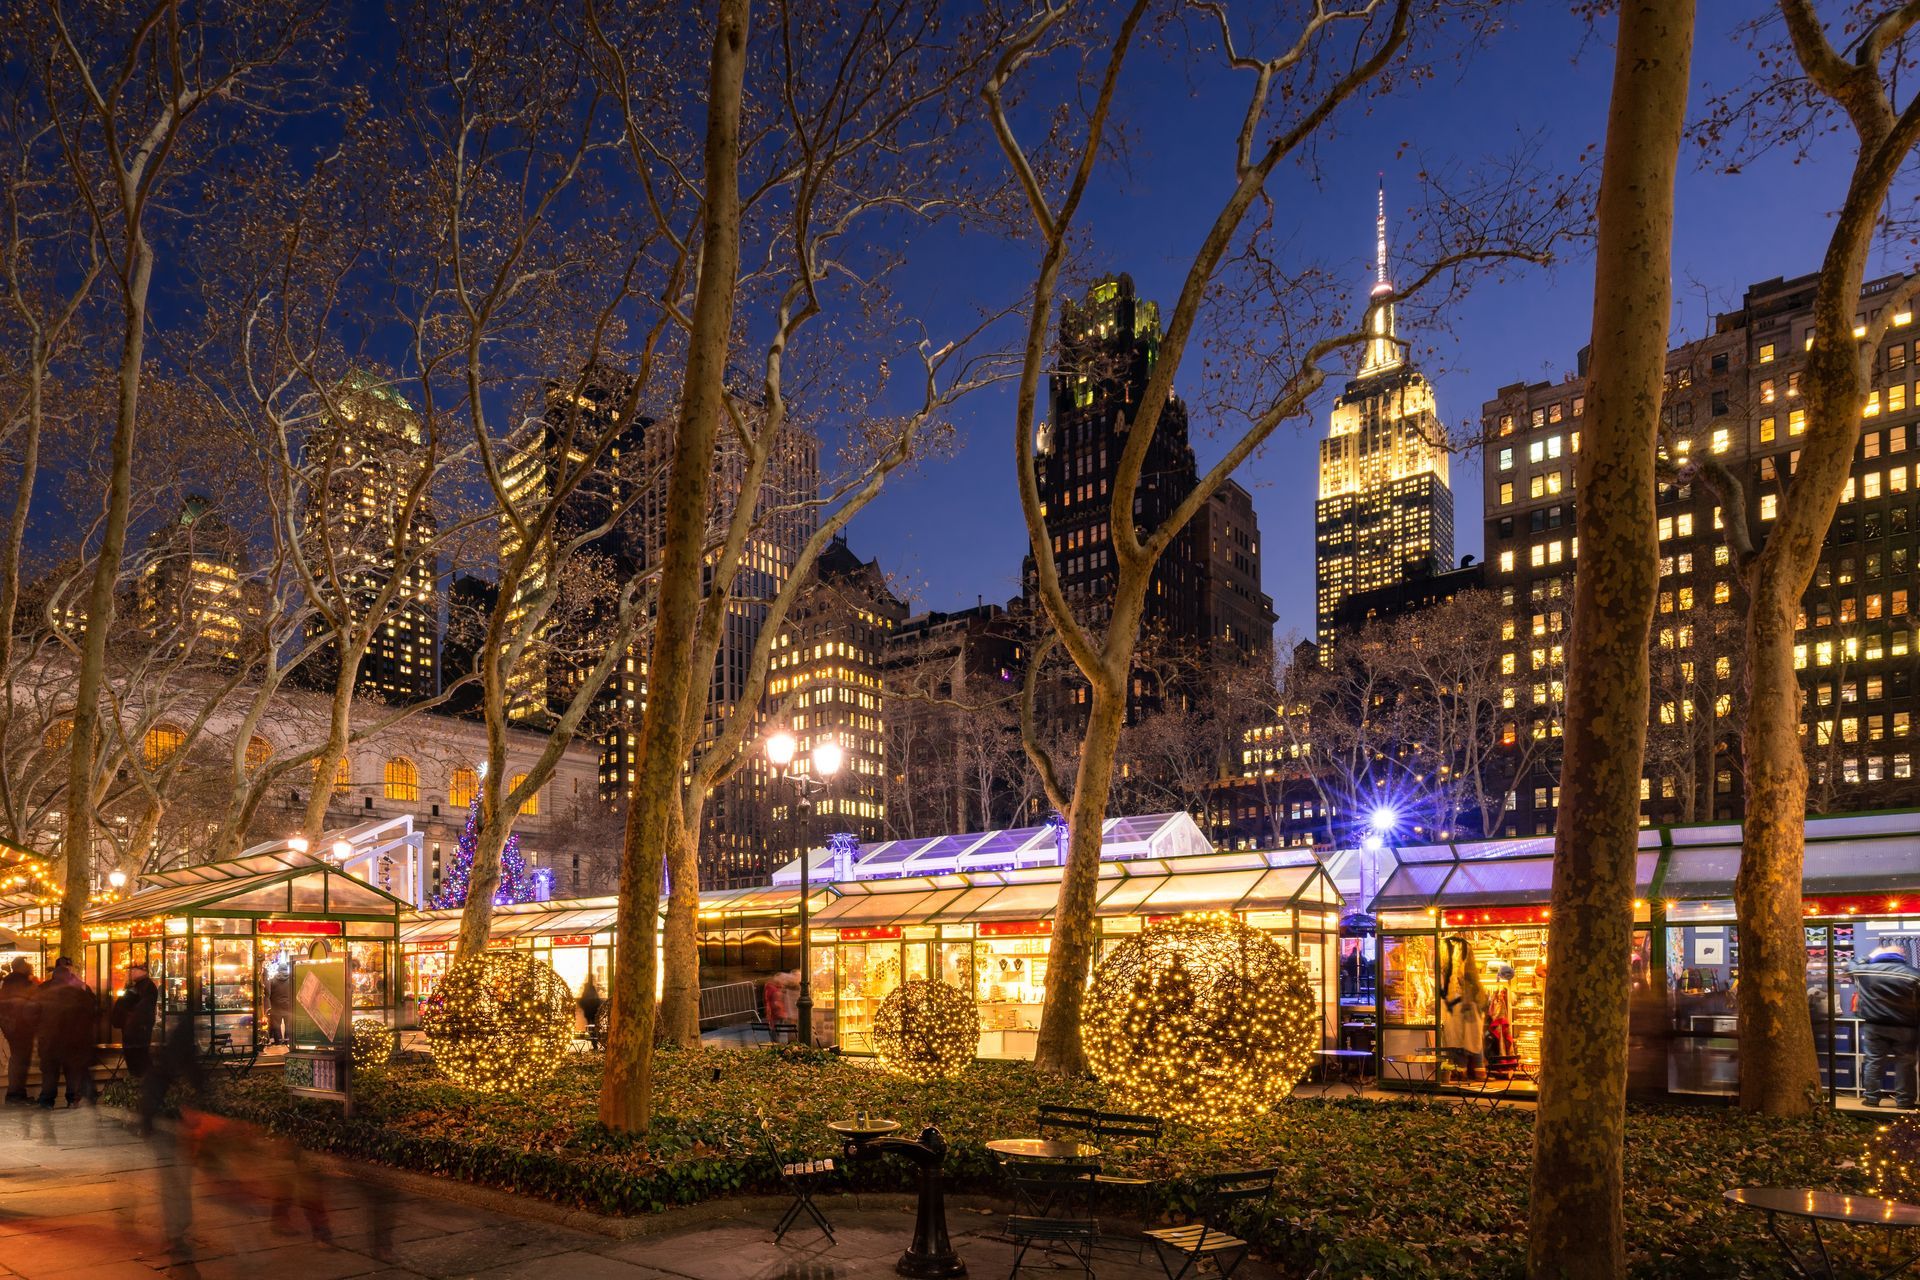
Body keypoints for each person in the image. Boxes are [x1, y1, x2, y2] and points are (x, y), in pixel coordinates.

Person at [1852, 941, 1920, 1109]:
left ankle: (1872, 1099)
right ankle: (1905, 1101)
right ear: (1901, 958)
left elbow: (1851, 965)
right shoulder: (1913, 974)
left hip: (1874, 1026)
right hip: (1906, 1027)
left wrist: (1869, 956)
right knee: (1905, 1064)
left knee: (1873, 1061)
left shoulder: (1867, 970)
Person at [34, 957, 97, 1108]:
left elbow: (32, 1012)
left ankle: (47, 1101)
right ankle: (72, 1099)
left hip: (49, 1039)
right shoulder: (78, 991)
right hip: (72, 1039)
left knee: (49, 1072)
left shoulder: (42, 989)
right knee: (72, 1071)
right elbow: (91, 1010)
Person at [1438, 935, 1488, 1082]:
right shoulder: (1462, 950)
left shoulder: (1449, 950)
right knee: (1471, 1037)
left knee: (1460, 1037)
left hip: (1455, 1002)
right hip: (1461, 1002)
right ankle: (1474, 1071)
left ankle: (1463, 1071)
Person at [112, 961, 161, 1078]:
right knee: (135, 1058)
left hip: (137, 1031)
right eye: (131, 970)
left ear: (143, 971)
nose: (131, 972)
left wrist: (130, 1021)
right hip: (133, 1030)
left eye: (134, 970)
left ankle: (144, 1083)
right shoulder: (138, 986)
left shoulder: (146, 987)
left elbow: (141, 1009)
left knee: (139, 1058)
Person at [1, 957, 37, 1103]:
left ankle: (17, 1093)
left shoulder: (8, 982)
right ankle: (15, 1094)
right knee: (20, 1059)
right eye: (26, 964)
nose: (29, 966)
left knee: (18, 1059)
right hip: (20, 1026)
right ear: (21, 967)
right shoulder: (22, 982)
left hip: (12, 1025)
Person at [266, 965, 292, 1045]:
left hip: (276, 1006)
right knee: (289, 1024)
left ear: (278, 970)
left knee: (276, 1025)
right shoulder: (291, 979)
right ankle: (288, 1040)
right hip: (288, 1006)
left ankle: (279, 1041)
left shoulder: (273, 980)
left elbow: (268, 993)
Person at [577, 977, 603, 1050]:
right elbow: (598, 1001)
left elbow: (582, 1001)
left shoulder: (586, 992)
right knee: (594, 1028)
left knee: (591, 1029)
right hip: (595, 1013)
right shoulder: (593, 990)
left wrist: (584, 1007)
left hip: (589, 1013)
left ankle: (594, 1044)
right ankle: (595, 1043)